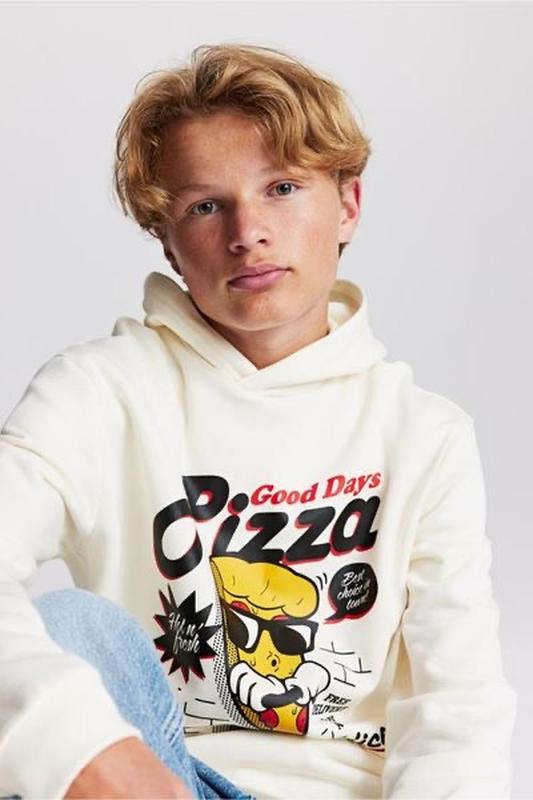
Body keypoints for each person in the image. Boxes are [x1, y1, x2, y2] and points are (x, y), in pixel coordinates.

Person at [0, 41, 517, 800]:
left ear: (347, 204)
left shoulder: (423, 435)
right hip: (166, 780)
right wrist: (79, 748)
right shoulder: (100, 393)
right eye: (205, 206)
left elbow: (455, 711)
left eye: (281, 188)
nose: (248, 232)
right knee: (72, 630)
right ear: (168, 242)